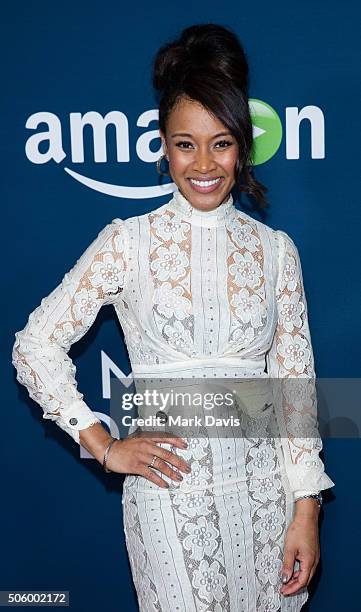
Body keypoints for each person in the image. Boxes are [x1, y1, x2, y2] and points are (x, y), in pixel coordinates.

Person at [12, 23, 334, 612]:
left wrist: (306, 510)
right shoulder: (126, 243)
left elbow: (297, 395)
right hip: (170, 499)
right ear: (163, 145)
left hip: (269, 502)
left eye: (221, 143)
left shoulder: (275, 250)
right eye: (186, 143)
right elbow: (34, 346)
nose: (204, 163)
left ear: (242, 144)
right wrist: (104, 446)